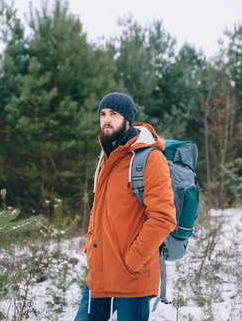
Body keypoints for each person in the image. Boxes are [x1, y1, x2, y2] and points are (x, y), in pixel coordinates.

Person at [75, 92, 177, 321]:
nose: (106, 119)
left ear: (128, 119)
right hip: (100, 272)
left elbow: (163, 218)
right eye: (102, 114)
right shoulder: (105, 158)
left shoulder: (149, 158)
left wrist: (132, 261)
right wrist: (91, 251)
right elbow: (98, 210)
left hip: (133, 276)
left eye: (114, 114)